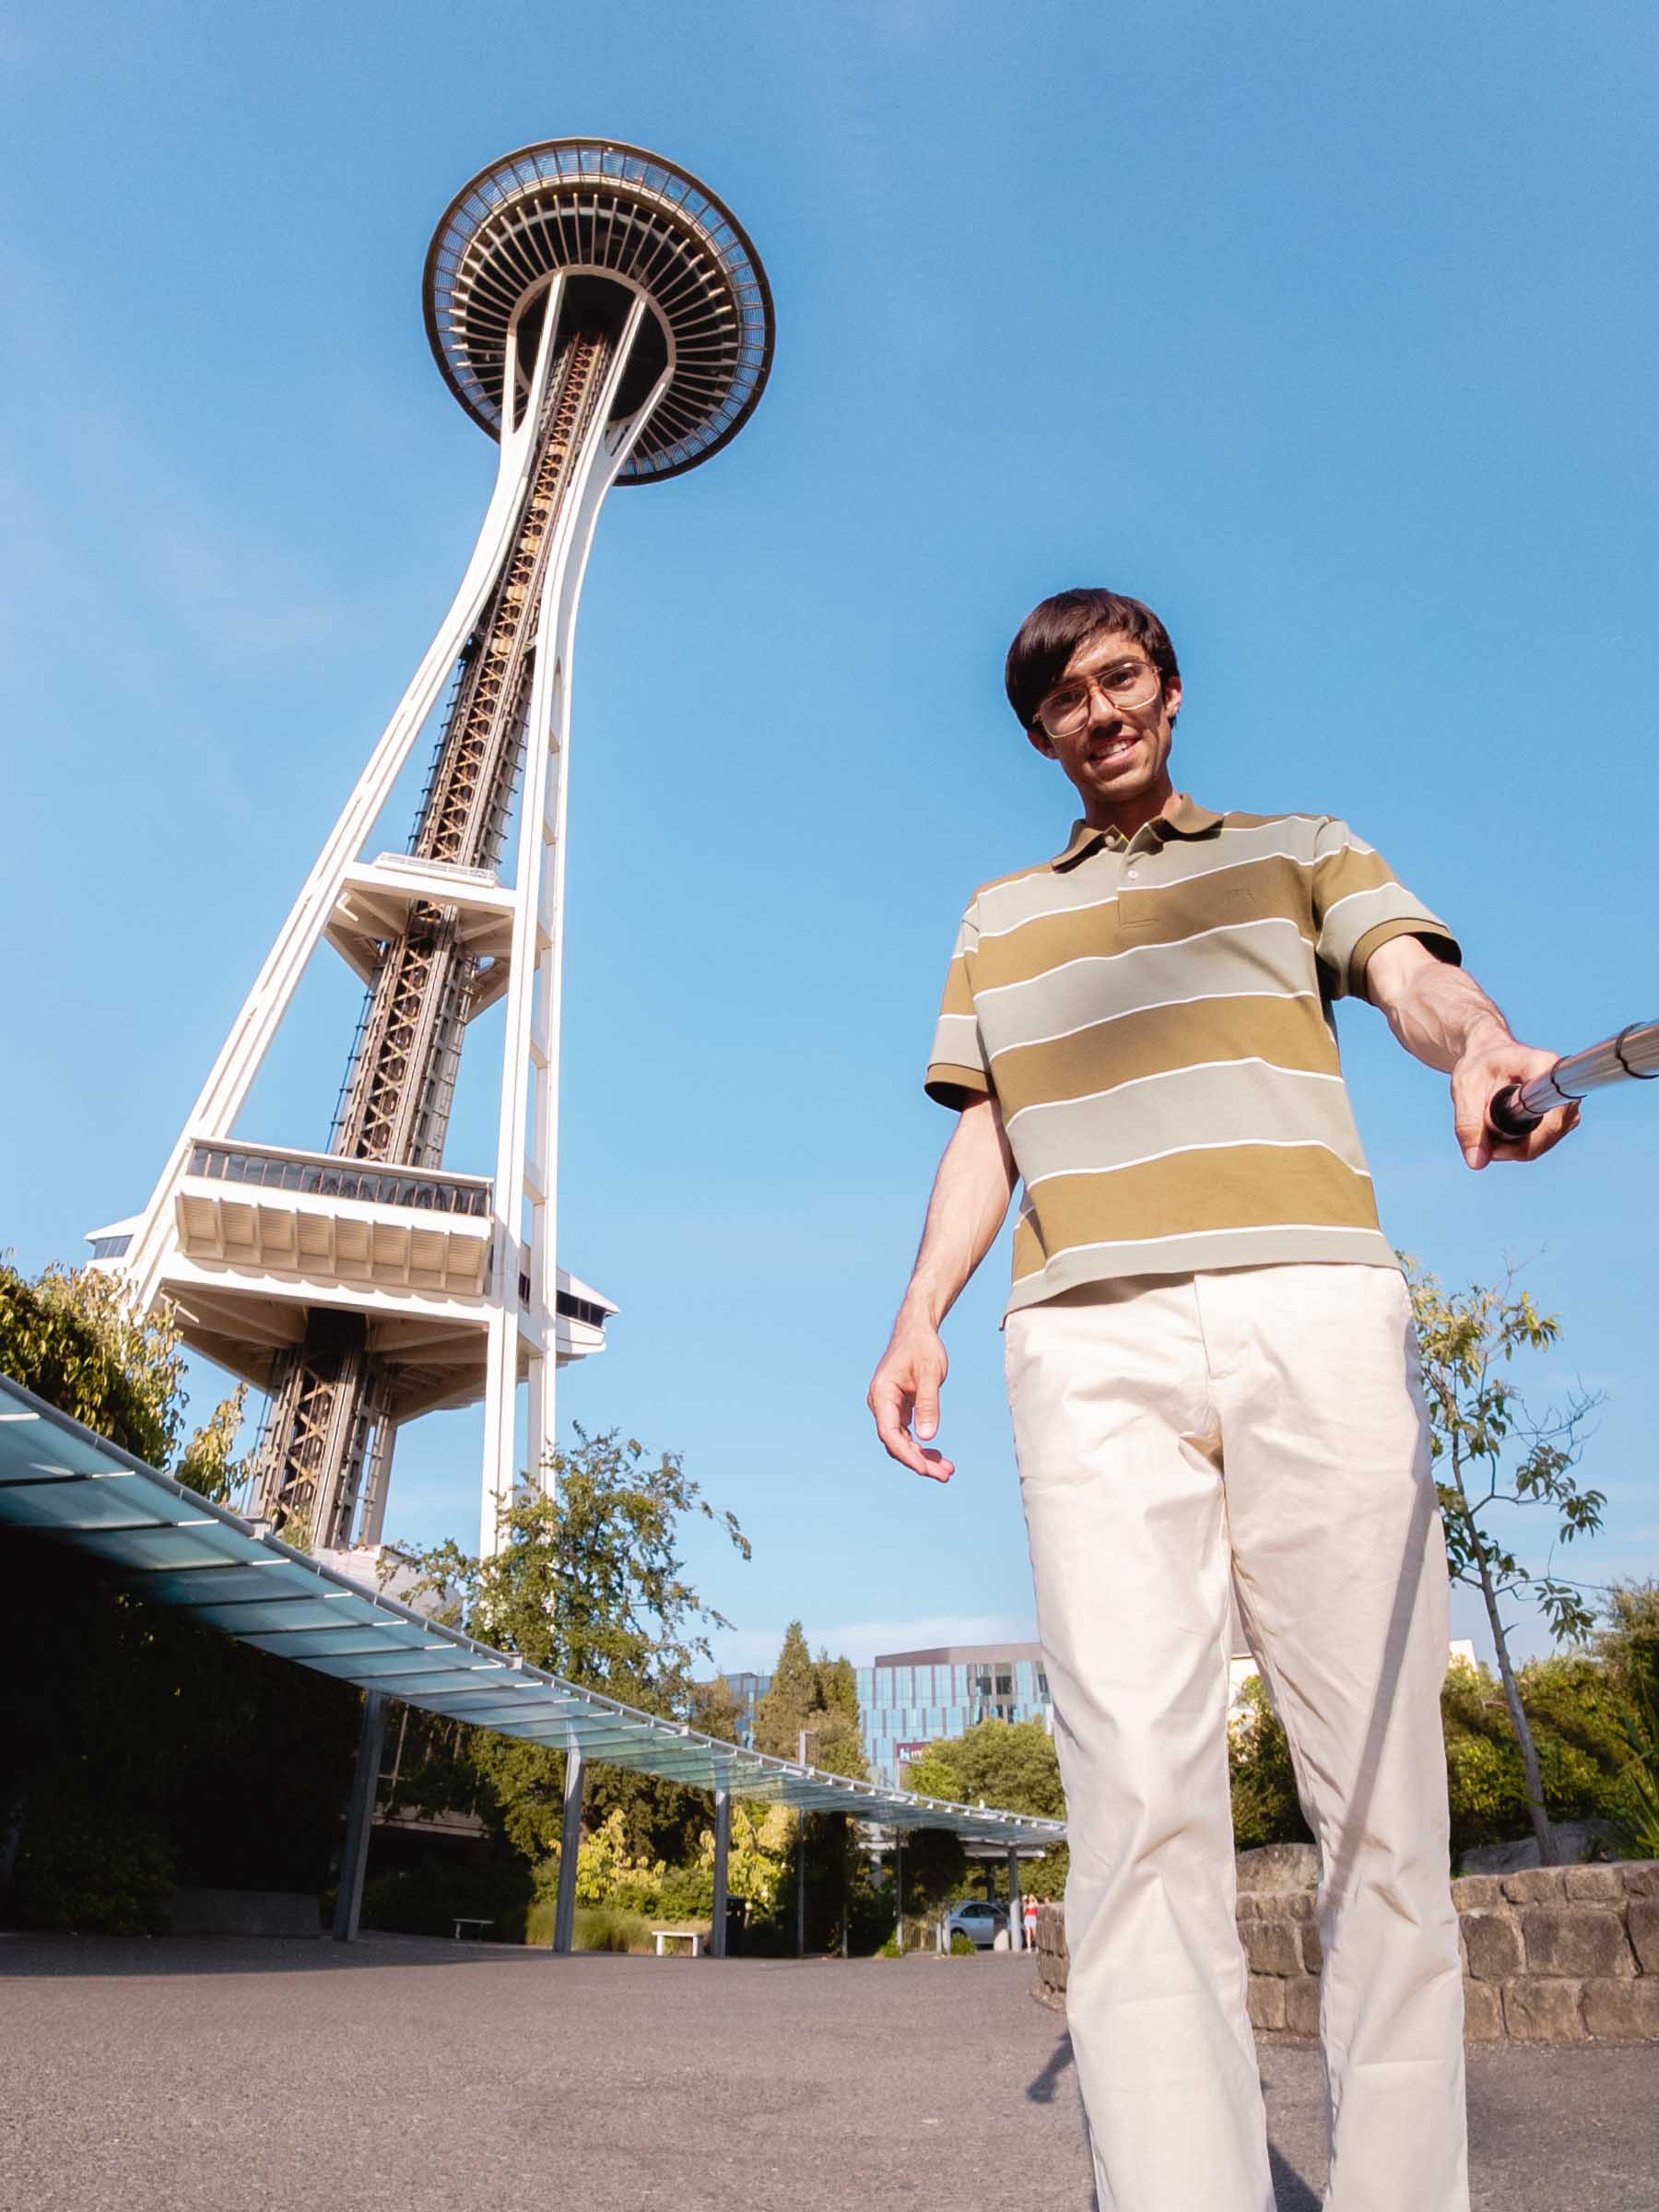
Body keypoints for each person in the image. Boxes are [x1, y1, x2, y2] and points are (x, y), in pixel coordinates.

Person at [865, 589, 1574, 2212]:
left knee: (1383, 1802)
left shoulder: (1295, 847)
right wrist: (921, 1310)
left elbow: (1414, 982)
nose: (1098, 710)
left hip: (1307, 1306)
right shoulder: (998, 914)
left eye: (1121, 678)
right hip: (1085, 1339)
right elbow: (990, 1128)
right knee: (1133, 1806)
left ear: (1171, 694)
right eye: (1063, 697)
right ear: (1041, 734)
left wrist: (1479, 1045)